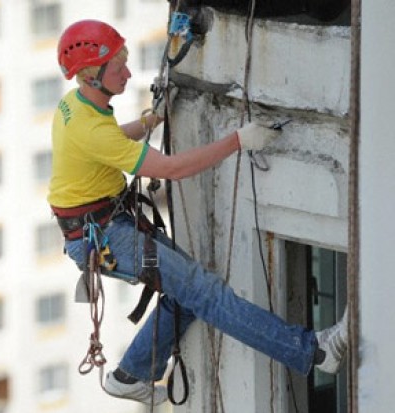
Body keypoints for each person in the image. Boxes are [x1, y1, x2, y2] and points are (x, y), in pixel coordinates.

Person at [48, 19, 348, 406]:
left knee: (189, 293)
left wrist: (146, 123)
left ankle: (131, 374)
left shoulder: (76, 106)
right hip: (104, 235)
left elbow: (108, 141)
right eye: (118, 67)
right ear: (92, 76)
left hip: (104, 224)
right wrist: (238, 141)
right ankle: (317, 352)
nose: (128, 71)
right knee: (207, 294)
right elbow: (172, 168)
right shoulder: (90, 128)